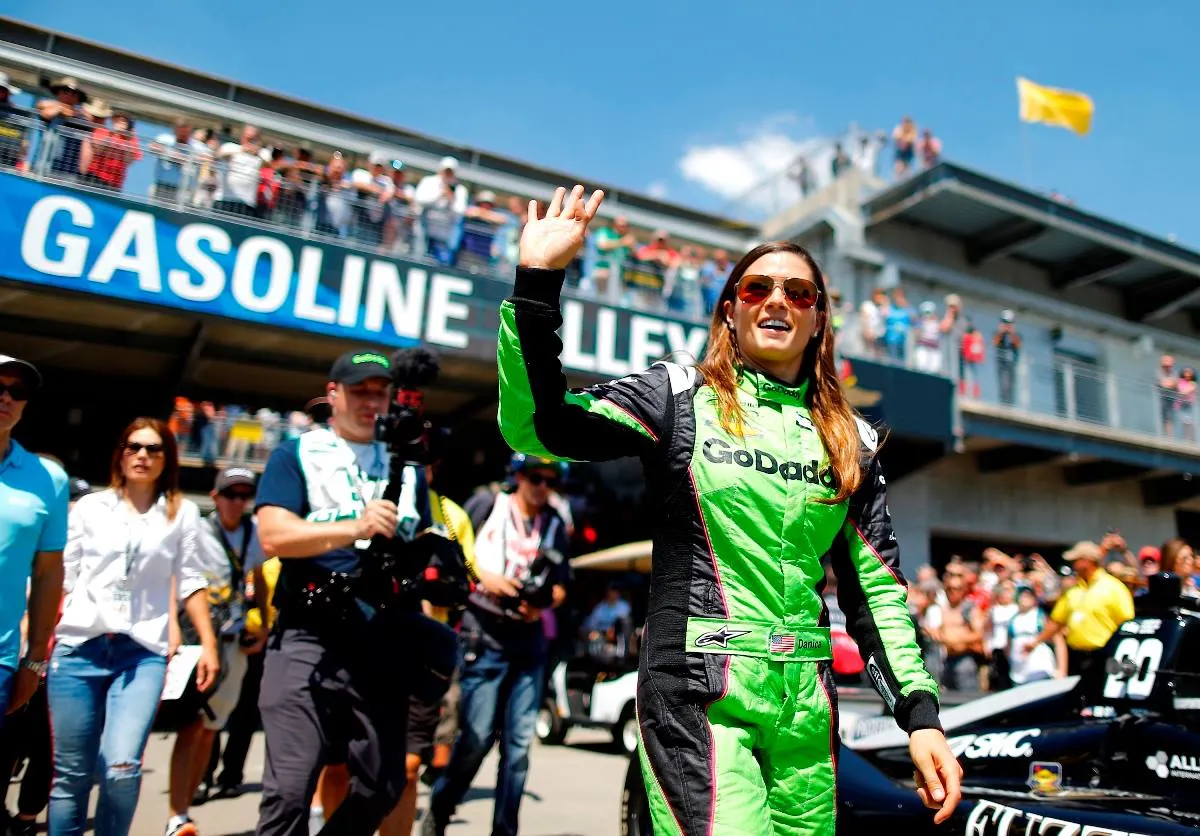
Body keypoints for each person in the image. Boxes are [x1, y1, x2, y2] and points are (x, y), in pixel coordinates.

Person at [484, 184, 962, 834]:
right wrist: (538, 286)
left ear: (818, 319)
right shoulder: (677, 395)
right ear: (729, 312)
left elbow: (875, 593)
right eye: (757, 288)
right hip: (699, 694)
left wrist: (920, 714)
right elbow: (542, 426)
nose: (777, 301)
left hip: (806, 711)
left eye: (799, 293)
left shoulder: (853, 440)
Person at [253, 349, 436, 836]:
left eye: (380, 390)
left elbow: (425, 548)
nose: (371, 400)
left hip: (380, 639)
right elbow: (273, 535)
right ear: (333, 394)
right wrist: (355, 525)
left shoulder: (410, 467)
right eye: (359, 390)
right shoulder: (295, 453)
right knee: (290, 791)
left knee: (383, 785)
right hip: (305, 634)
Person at [49, 418, 219, 836]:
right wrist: (40, 633)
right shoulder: (90, 507)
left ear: (167, 459)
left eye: (153, 449)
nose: (142, 455)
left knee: (121, 767)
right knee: (71, 776)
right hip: (79, 648)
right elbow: (63, 575)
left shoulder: (183, 514)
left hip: (141, 653)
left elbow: (193, 580)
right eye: (133, 447)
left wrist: (209, 644)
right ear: (120, 455)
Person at [424, 454, 572, 836]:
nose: (542, 487)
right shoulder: (486, 504)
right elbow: (452, 559)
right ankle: (440, 808)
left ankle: (505, 831)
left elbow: (560, 585)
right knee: (475, 738)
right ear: (518, 476)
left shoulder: (554, 523)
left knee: (519, 749)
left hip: (529, 642)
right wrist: (485, 579)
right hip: (483, 633)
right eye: (536, 478)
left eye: (550, 481)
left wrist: (542, 605)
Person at [164, 467, 266, 836]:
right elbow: (176, 576)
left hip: (234, 640)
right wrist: (173, 626)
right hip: (197, 639)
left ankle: (185, 808)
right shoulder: (198, 530)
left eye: (244, 496)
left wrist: (265, 624)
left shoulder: (253, 532)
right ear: (215, 496)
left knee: (211, 727)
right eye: (230, 494)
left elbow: (257, 578)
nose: (237, 502)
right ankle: (178, 814)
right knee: (192, 724)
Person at [0, 356, 67, 721]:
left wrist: (36, 659)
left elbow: (48, 573)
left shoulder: (49, 479)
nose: (6, 397)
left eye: (17, 391)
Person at [1025, 540, 1135, 677]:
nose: (1074, 565)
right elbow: (1056, 621)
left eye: (1076, 561)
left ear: (1087, 561)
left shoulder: (1114, 588)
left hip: (1104, 655)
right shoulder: (1073, 591)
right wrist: (1036, 642)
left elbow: (1128, 622)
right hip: (1076, 657)